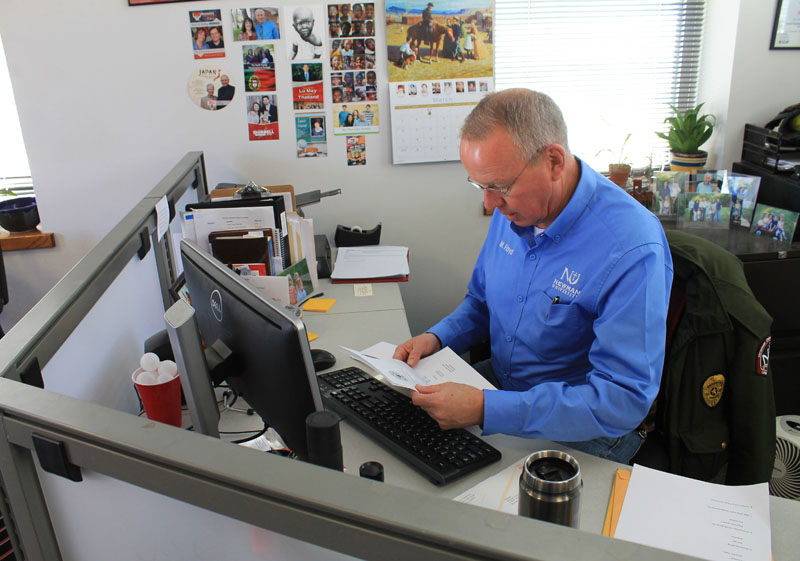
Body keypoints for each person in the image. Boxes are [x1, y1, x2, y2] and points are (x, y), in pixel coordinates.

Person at [392, 89, 672, 464]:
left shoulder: (632, 248)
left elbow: (621, 401)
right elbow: (481, 302)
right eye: (480, 187)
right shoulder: (516, 212)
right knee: (404, 436)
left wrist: (487, 409)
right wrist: (438, 336)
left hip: (580, 426)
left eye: (500, 187)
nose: (490, 205)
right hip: (501, 386)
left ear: (554, 161)